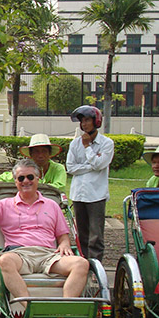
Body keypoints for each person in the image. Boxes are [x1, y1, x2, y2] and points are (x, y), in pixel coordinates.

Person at [0, 159, 89, 311]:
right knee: (4, 261)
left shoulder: (52, 205)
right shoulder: (4, 204)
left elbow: (62, 235)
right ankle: (30, 309)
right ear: (15, 182)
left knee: (82, 264)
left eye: (30, 177)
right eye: (21, 178)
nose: (26, 181)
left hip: (49, 255)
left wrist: (64, 243)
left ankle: (66, 309)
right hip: (19, 254)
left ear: (38, 179)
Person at [66, 105, 114, 261]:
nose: (84, 124)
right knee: (82, 233)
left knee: (96, 235)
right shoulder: (74, 144)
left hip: (96, 194)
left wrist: (87, 147)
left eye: (87, 120)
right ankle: (84, 263)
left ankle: (96, 265)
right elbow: (71, 167)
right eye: (82, 121)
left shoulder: (106, 143)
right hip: (78, 194)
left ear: (96, 121)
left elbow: (100, 165)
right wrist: (91, 166)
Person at [0, 134, 67, 191]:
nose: (40, 155)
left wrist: (32, 185)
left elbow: (60, 187)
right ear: (30, 155)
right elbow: (1, 180)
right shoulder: (25, 169)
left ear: (49, 153)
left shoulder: (58, 168)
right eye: (36, 152)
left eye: (44, 151)